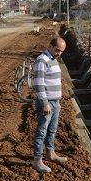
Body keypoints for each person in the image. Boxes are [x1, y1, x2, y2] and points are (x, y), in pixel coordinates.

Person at [32, 36, 67, 173]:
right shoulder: (42, 60)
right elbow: (39, 84)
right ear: (50, 46)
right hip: (46, 103)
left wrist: (57, 102)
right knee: (42, 131)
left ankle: (51, 154)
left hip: (55, 102)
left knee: (52, 130)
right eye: (57, 50)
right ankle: (37, 160)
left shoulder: (53, 60)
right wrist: (45, 103)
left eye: (62, 51)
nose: (59, 53)